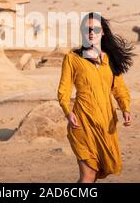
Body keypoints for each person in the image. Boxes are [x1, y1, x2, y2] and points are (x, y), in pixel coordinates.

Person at [57, 12, 135, 183]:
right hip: (82, 122)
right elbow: (64, 89)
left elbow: (119, 88)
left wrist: (125, 108)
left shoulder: (109, 59)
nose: (91, 32)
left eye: (95, 29)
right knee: (88, 175)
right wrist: (67, 112)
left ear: (103, 32)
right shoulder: (73, 58)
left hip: (107, 123)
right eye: (87, 29)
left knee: (93, 177)